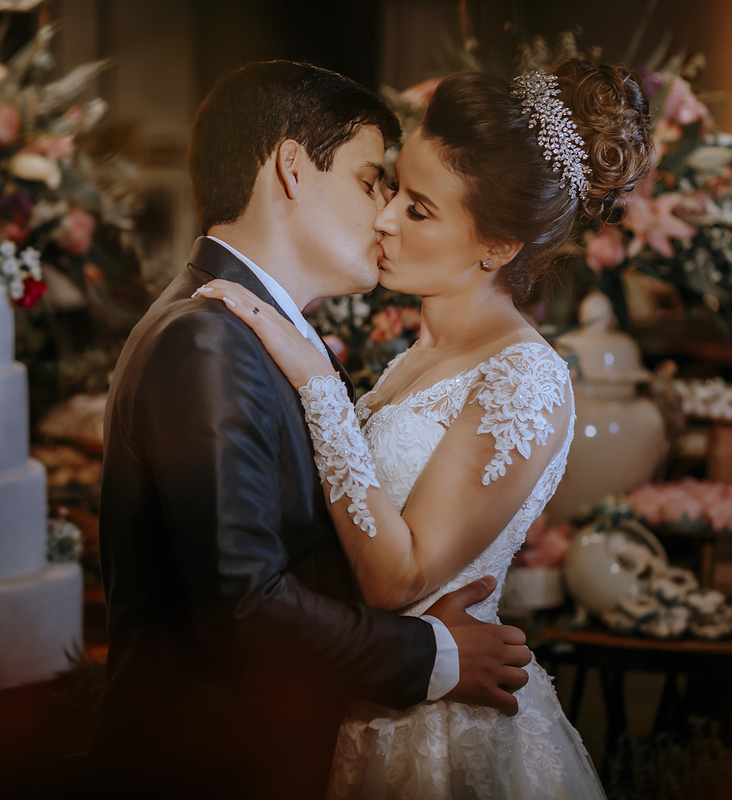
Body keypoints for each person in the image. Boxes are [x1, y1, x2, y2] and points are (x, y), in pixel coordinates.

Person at [196, 59, 653, 798]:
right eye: (392, 188)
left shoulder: (524, 376)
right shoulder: (415, 359)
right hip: (369, 698)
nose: (383, 218)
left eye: (419, 209)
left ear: (497, 245)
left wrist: (318, 384)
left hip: (445, 735)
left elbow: (396, 576)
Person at [93, 60, 533, 800]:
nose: (386, 214)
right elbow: (241, 606)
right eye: (371, 181)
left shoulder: (255, 335)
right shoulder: (206, 338)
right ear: (292, 168)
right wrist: (432, 653)